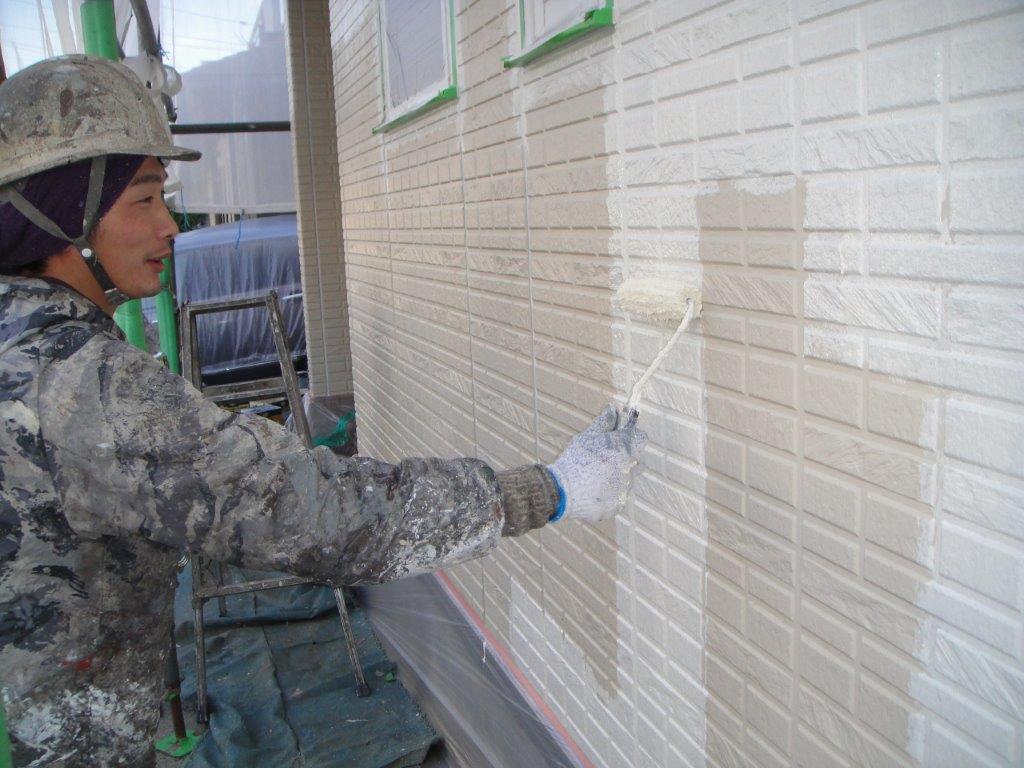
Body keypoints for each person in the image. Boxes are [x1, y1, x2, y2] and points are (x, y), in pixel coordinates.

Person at [0, 56, 646, 766]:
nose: (172, 227)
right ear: (65, 217)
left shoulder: (22, 342)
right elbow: (316, 513)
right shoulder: (80, 387)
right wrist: (549, 491)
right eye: (144, 200)